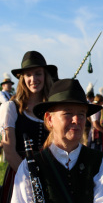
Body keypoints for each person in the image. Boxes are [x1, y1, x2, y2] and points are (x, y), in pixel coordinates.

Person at [11, 78, 103, 203]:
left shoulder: (102, 163)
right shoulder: (28, 167)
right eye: (68, 113)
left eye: (82, 114)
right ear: (50, 119)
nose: (76, 120)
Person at [0, 50, 58, 203]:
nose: (33, 79)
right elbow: (9, 150)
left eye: (38, 73)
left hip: (51, 173)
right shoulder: (11, 108)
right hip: (20, 173)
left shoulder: (53, 109)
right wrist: (31, 178)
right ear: (22, 78)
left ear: (45, 75)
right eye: (28, 75)